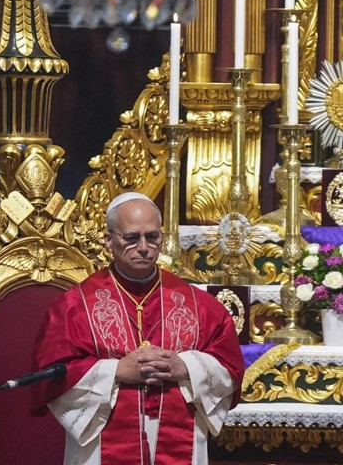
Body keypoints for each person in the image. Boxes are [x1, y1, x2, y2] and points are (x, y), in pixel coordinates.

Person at [32, 192, 245, 465]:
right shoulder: (74, 307)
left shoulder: (200, 306)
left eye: (152, 237)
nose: (143, 247)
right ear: (109, 240)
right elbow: (50, 377)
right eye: (131, 238)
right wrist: (115, 371)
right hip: (102, 440)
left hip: (180, 435)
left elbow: (231, 367)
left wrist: (186, 367)